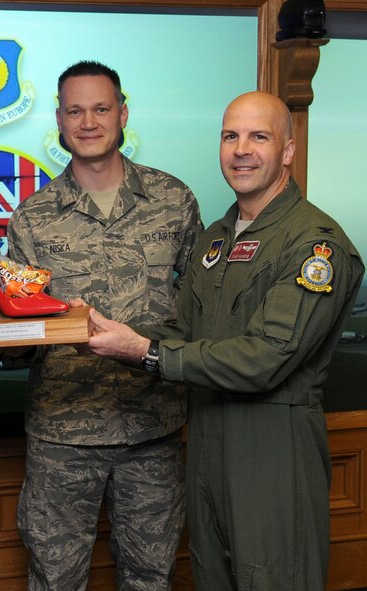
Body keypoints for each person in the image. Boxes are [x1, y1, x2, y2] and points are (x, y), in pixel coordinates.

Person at [85, 91, 364, 591]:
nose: (241, 150)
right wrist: (106, 333)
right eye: (230, 136)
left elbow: (266, 357)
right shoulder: (217, 237)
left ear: (287, 150)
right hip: (208, 440)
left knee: (274, 578)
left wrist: (143, 351)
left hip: (273, 446)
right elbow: (180, 332)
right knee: (213, 575)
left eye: (259, 137)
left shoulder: (314, 243)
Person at [6, 60, 202, 591]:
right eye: (75, 110)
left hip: (152, 429)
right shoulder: (32, 216)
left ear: (122, 113)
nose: (87, 121)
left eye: (100, 108)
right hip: (62, 432)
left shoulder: (173, 201)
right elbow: (17, 321)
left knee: (150, 576)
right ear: (59, 119)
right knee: (55, 578)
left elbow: (198, 306)